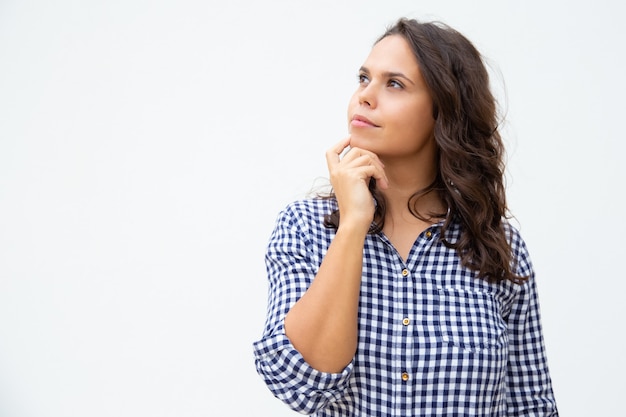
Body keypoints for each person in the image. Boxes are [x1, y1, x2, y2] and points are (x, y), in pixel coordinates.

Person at [253, 17, 558, 416]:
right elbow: (302, 383)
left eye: (394, 84)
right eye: (364, 78)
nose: (365, 96)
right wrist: (352, 225)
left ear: (443, 111)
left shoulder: (497, 246)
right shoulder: (306, 228)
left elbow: (531, 406)